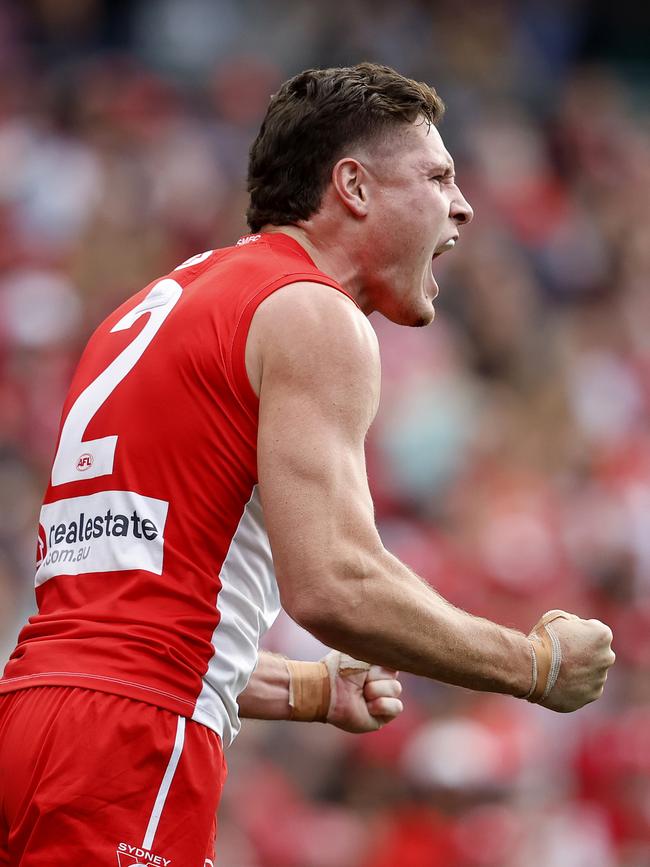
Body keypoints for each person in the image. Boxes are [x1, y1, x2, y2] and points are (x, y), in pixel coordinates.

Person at [0, 63, 614, 865]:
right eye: (437, 176)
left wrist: (309, 689)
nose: (462, 206)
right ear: (353, 187)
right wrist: (534, 665)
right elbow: (334, 584)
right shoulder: (311, 311)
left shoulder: (154, 305)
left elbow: (131, 621)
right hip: (131, 745)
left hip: (30, 715)